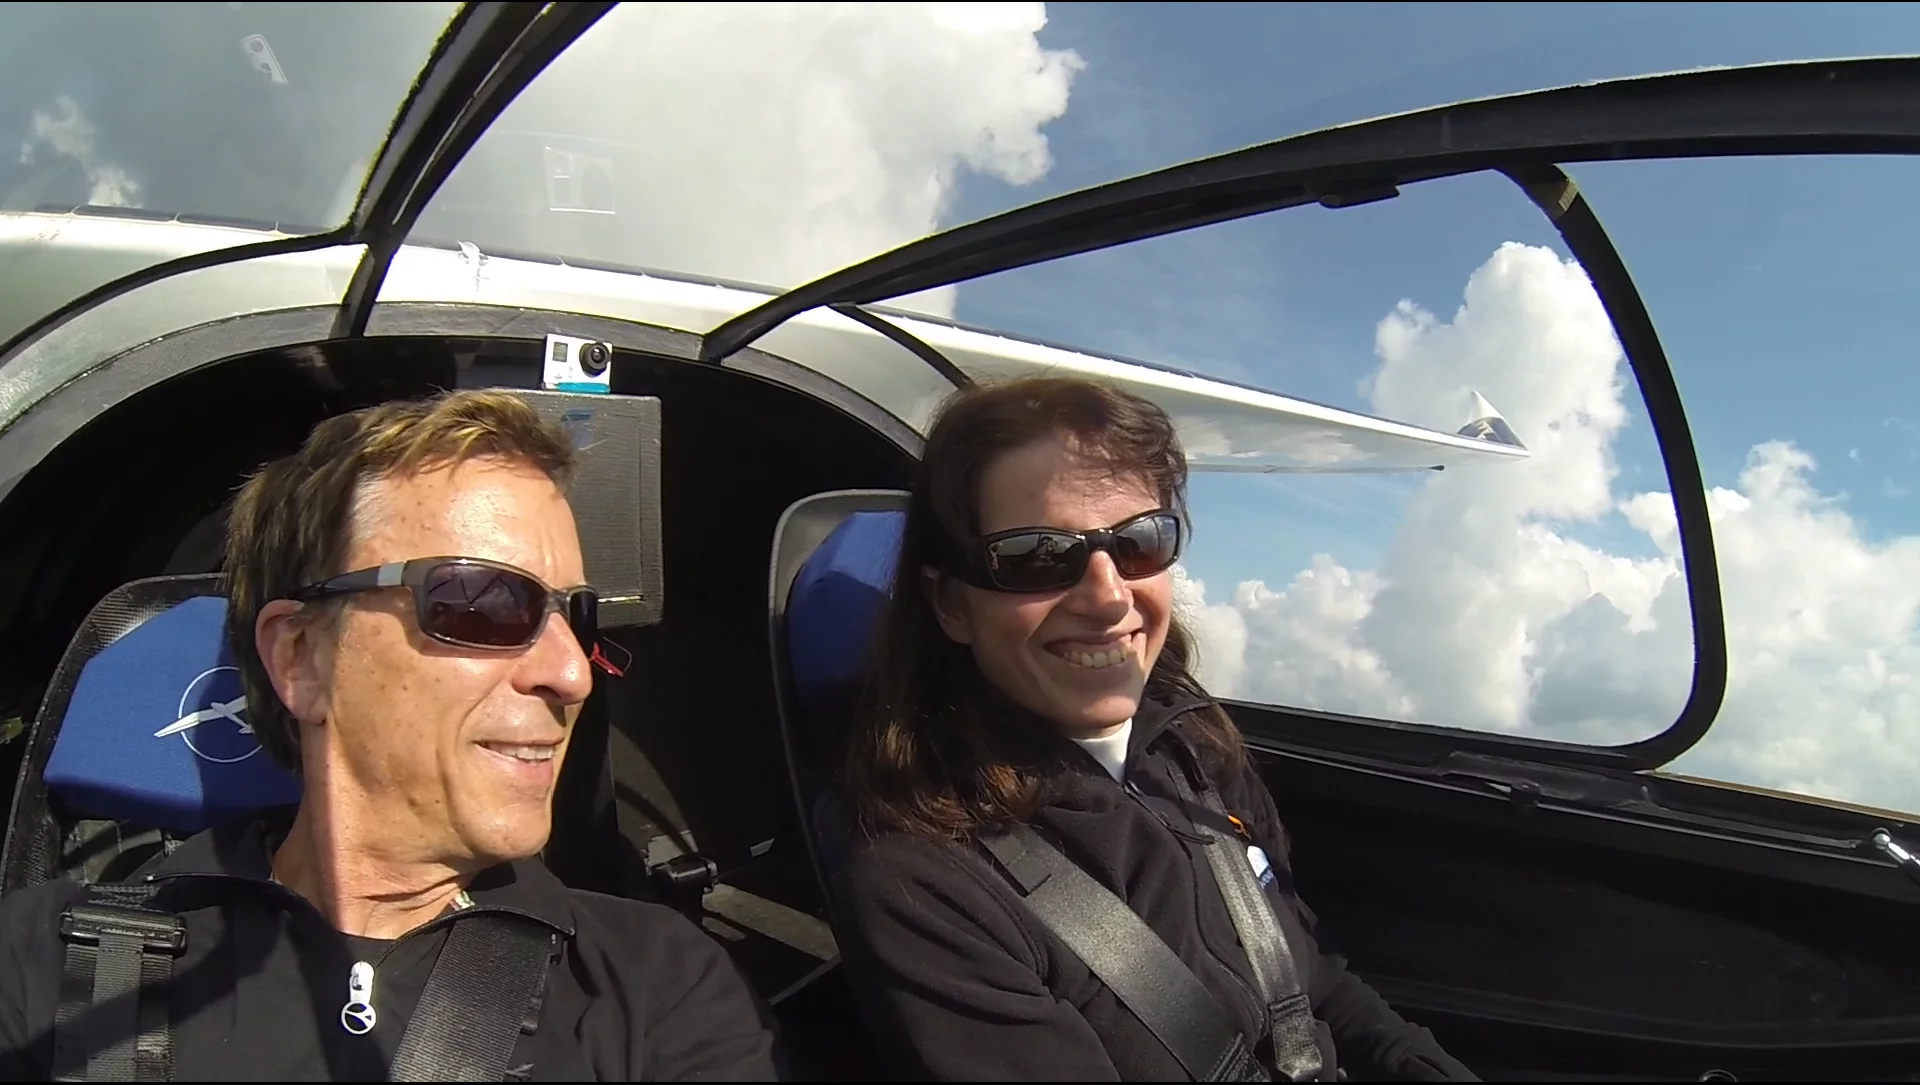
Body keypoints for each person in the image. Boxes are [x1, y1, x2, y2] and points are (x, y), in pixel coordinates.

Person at [0, 389, 783, 1080]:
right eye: (482, 600)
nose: (573, 674)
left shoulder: (653, 984)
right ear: (301, 656)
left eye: (576, 616)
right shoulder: (46, 958)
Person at [829, 376, 1476, 1082]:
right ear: (952, 604)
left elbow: (1316, 989)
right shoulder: (925, 886)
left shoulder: (1193, 749)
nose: (1109, 596)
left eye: (1138, 542)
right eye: (1038, 555)